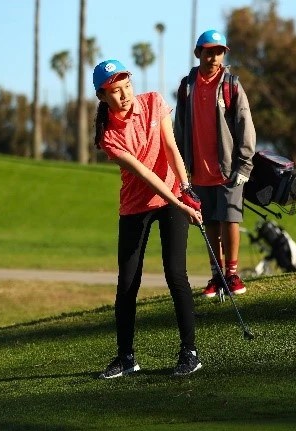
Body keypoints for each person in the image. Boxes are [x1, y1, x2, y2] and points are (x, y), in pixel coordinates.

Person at [92, 59, 204, 378]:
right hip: (136, 206)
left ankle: (190, 352)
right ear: (103, 96)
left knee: (175, 273)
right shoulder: (109, 137)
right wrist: (180, 204)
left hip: (172, 195)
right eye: (116, 90)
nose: (125, 94)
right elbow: (143, 175)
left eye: (127, 86)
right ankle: (126, 358)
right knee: (127, 283)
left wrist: (186, 188)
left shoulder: (154, 102)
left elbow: (170, 147)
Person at [174, 29, 256, 298]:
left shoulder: (231, 84)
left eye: (219, 52)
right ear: (199, 53)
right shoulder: (187, 86)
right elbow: (180, 127)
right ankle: (216, 275)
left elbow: (245, 125)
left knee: (230, 220)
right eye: (209, 52)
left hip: (230, 168)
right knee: (209, 222)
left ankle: (232, 274)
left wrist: (244, 165)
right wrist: (181, 166)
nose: (214, 57)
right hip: (199, 169)